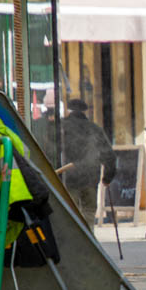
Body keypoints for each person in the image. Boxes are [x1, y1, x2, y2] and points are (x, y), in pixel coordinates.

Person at [61, 98, 116, 228]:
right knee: (89, 213)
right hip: (90, 178)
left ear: (68, 110)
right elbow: (109, 155)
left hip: (68, 178)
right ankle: (88, 240)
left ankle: (74, 244)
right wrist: (108, 177)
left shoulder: (62, 127)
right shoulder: (95, 129)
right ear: (85, 112)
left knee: (71, 215)